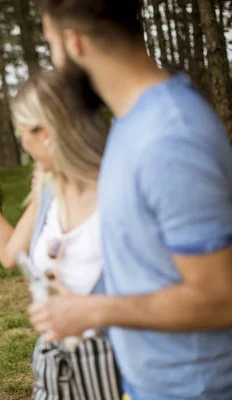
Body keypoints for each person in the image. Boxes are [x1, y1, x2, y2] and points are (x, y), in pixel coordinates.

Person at [28, 2, 232, 399]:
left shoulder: (170, 136)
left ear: (73, 42)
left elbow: (221, 299)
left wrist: (96, 310)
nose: (54, 61)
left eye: (50, 43)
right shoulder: (132, 120)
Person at [0, 70, 118, 398]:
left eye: (23, 129)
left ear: (46, 132)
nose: (21, 138)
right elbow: (9, 252)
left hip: (112, 367)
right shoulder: (49, 187)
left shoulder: (118, 192)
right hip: (53, 365)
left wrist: (88, 309)